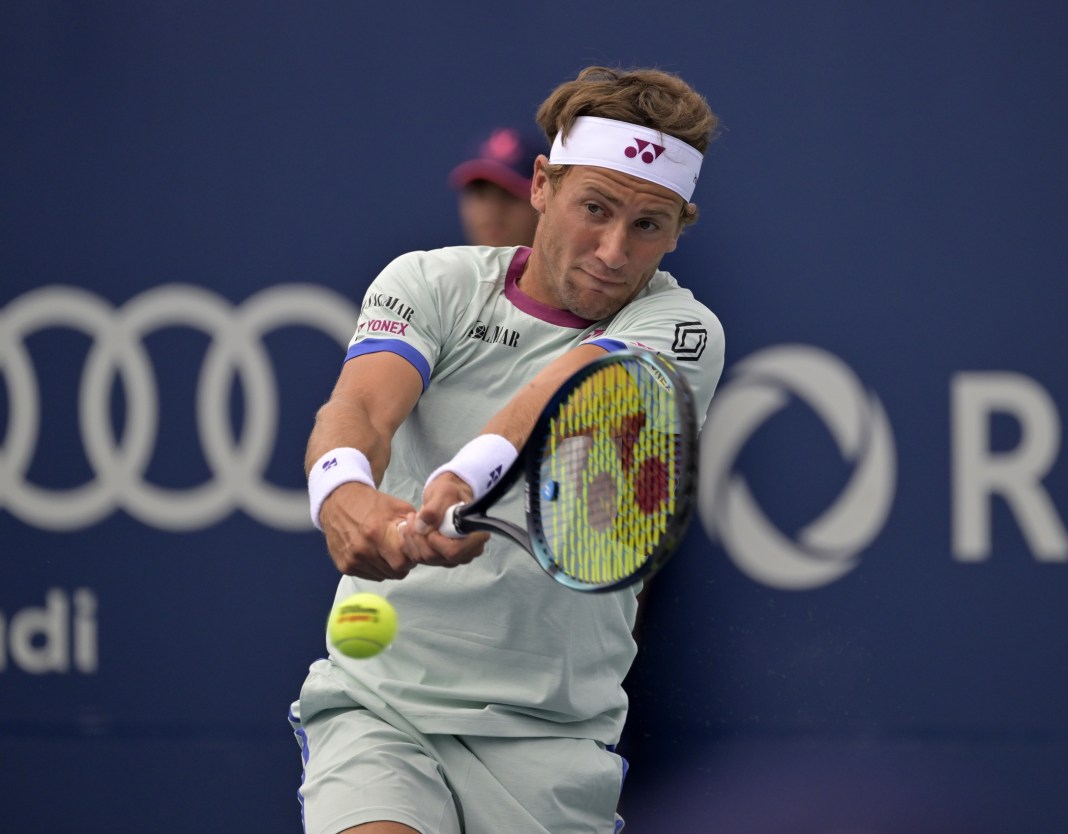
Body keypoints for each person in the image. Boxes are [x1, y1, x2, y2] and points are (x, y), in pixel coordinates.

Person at [290, 65, 725, 834]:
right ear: (541, 186)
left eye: (649, 226)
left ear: (680, 228)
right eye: (595, 208)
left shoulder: (685, 331)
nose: (615, 251)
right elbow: (361, 405)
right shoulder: (428, 281)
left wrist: (463, 476)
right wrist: (343, 489)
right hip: (380, 705)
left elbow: (564, 390)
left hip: (551, 733)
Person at [448, 126, 544, 246]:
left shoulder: (567, 264)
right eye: (480, 194)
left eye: (510, 196)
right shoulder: (438, 264)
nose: (492, 210)